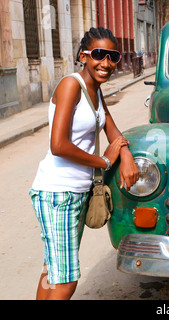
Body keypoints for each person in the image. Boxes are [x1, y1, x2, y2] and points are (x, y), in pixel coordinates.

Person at [29, 27, 139, 300]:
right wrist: (103, 160)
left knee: (52, 272)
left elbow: (112, 130)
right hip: (58, 193)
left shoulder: (96, 91)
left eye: (113, 56)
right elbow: (59, 145)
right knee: (66, 281)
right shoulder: (71, 85)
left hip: (76, 192)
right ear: (84, 56)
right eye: (99, 54)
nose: (106, 63)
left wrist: (125, 154)